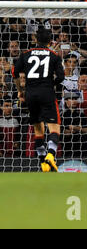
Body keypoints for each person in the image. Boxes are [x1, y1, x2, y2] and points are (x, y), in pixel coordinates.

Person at [12, 26, 65, 172]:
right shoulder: (54, 55)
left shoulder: (25, 54)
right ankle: (50, 155)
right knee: (54, 128)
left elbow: (15, 73)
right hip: (46, 93)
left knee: (38, 129)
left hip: (30, 94)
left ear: (35, 39)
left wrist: (20, 91)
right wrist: (50, 83)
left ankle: (43, 163)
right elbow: (61, 77)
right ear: (49, 41)